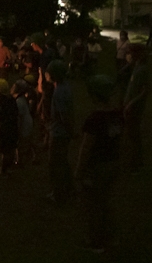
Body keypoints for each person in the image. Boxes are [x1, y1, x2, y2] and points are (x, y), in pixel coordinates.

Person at [75, 75, 122, 253]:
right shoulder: (116, 115)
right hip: (113, 164)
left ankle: (96, 241)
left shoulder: (94, 119)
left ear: (94, 96)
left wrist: (79, 170)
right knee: (106, 202)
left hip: (97, 167)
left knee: (93, 205)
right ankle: (112, 237)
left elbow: (86, 147)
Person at [45, 60, 74, 206]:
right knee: (62, 162)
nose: (46, 74)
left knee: (55, 165)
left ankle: (59, 194)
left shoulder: (60, 92)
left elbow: (64, 117)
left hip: (59, 134)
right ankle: (68, 188)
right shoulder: (62, 87)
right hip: (60, 131)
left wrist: (69, 131)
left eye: (48, 72)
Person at [123, 43, 149, 174]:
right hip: (130, 106)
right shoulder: (136, 67)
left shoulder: (143, 69)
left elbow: (145, 90)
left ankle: (136, 162)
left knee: (134, 134)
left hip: (135, 108)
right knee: (131, 133)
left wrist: (131, 103)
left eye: (129, 53)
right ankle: (133, 160)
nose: (127, 55)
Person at [0, 79, 19, 177]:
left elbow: (0, 117)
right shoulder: (11, 99)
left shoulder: (0, 102)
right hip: (13, 127)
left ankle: (4, 169)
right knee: (11, 148)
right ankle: (9, 166)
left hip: (5, 129)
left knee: (5, 150)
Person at [13, 79, 34, 167]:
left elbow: (19, 118)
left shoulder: (19, 102)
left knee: (21, 145)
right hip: (27, 124)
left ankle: (21, 161)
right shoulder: (22, 99)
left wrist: (17, 130)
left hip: (24, 126)